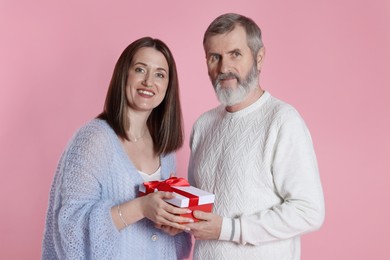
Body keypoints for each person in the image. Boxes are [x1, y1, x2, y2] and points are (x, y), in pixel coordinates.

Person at [186, 13, 325, 260]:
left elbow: (309, 211)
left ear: (259, 58)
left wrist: (229, 229)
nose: (223, 68)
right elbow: (201, 211)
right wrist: (177, 222)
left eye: (235, 54)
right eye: (214, 57)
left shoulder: (282, 121)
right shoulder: (203, 125)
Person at [42, 37, 192, 260]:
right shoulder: (94, 139)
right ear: (125, 75)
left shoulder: (164, 149)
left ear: (168, 87)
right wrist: (140, 208)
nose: (149, 82)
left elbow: (169, 241)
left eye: (160, 74)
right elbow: (70, 227)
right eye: (140, 69)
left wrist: (174, 225)